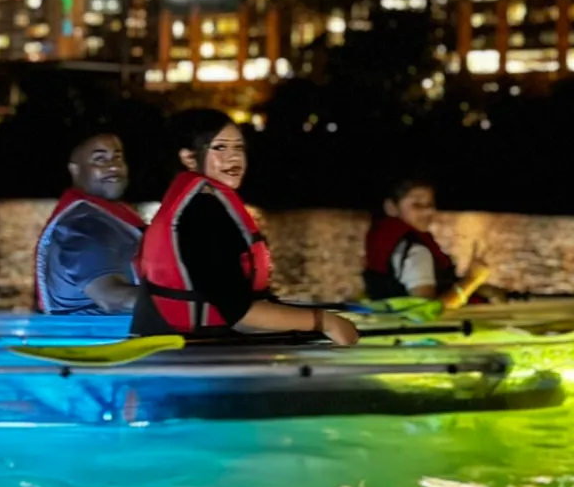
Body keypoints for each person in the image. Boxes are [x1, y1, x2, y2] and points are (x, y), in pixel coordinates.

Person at [131, 109, 359, 345]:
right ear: (189, 158)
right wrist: (325, 322)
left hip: (193, 341)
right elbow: (242, 316)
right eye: (220, 148)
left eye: (238, 148)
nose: (233, 158)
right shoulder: (202, 216)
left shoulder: (204, 206)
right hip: (197, 348)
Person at [33, 131, 146, 315]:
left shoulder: (104, 216)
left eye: (118, 157)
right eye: (100, 159)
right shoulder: (83, 225)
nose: (113, 167)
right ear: (75, 170)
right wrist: (191, 300)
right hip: (100, 340)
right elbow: (113, 298)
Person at [361, 178, 496, 309]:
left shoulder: (391, 243)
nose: (429, 211)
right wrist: (472, 279)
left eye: (430, 204)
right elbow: (425, 311)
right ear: (391, 207)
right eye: (417, 205)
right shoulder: (416, 252)